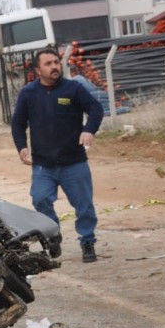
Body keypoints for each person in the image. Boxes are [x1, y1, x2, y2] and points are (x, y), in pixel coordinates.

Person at [11, 47, 104, 263]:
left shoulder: (73, 89)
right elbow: (18, 123)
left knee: (84, 205)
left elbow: (96, 109)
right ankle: (53, 236)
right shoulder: (28, 93)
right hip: (43, 164)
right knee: (40, 199)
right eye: (48, 63)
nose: (54, 66)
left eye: (56, 62)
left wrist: (88, 129)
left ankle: (87, 241)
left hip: (74, 161)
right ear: (37, 70)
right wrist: (21, 147)